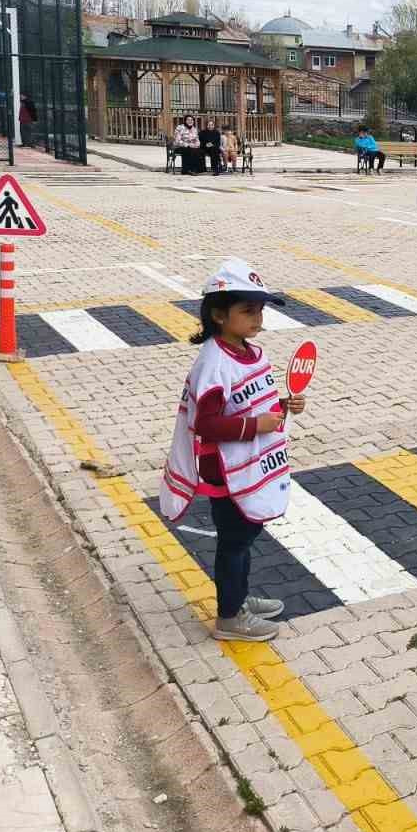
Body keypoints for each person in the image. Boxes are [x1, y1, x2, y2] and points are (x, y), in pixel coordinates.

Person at [159, 259, 306, 641]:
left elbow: (255, 403)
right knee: (235, 539)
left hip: (248, 462)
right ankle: (229, 617)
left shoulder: (248, 351)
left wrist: (283, 407)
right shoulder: (213, 362)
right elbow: (205, 424)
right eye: (247, 310)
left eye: (260, 309)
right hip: (224, 467)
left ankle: (237, 598)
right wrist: (256, 425)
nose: (258, 317)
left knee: (246, 533)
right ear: (219, 315)